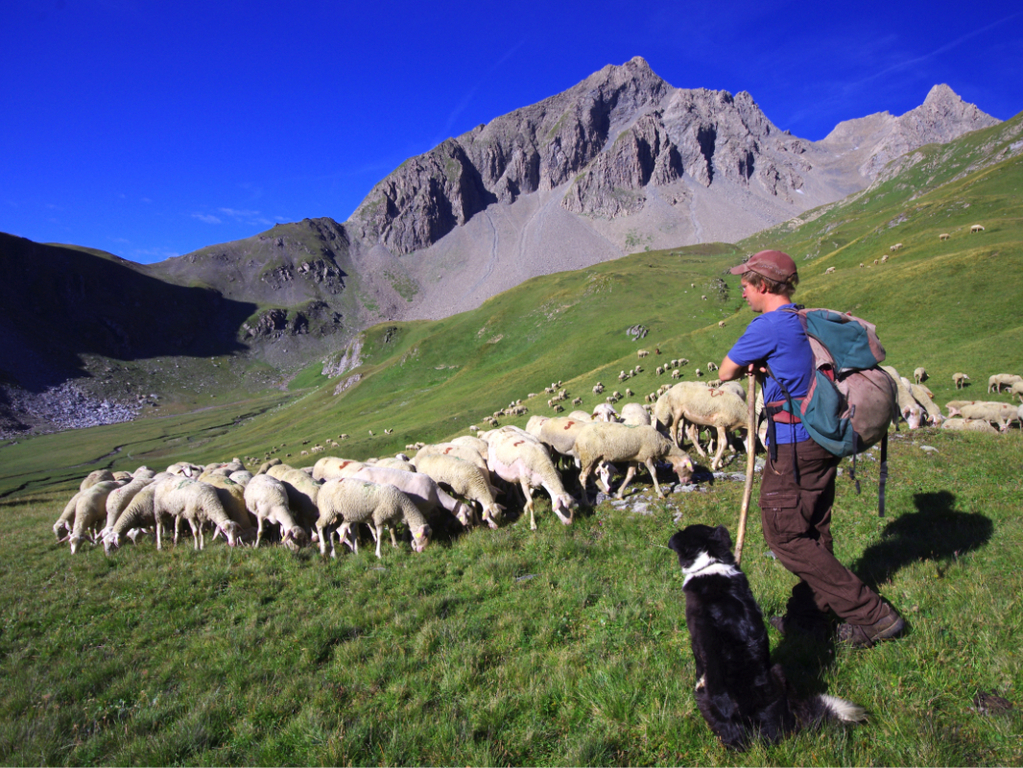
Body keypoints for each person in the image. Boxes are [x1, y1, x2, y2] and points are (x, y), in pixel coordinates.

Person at [718, 249, 904, 648]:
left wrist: (758, 363)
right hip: (823, 437)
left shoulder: (766, 326)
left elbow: (725, 371)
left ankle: (874, 616)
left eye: (747, 285)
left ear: (764, 286)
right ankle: (809, 617)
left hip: (794, 446)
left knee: (784, 535)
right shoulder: (801, 319)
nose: (743, 291)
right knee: (813, 528)